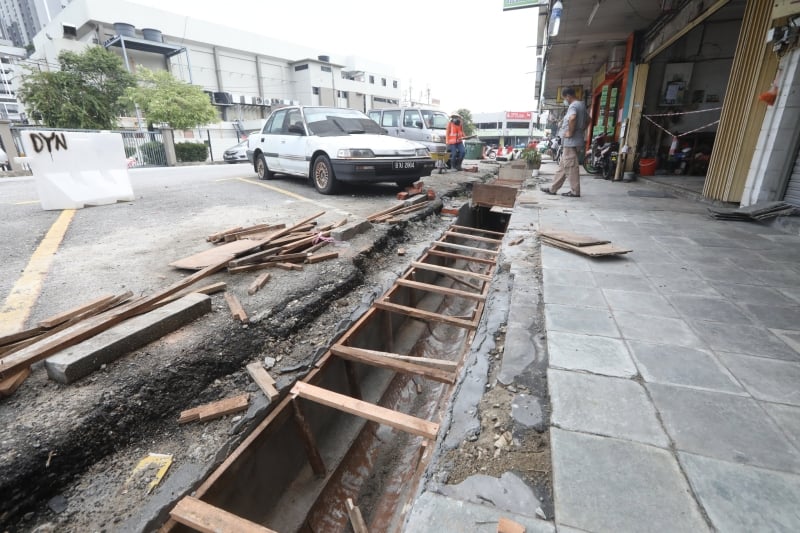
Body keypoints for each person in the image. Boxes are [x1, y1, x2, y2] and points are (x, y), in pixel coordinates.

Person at [541, 87, 589, 197]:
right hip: (573, 141)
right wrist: (580, 130)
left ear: (568, 96)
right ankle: (553, 189)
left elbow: (572, 118)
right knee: (563, 167)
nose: (565, 101)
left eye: (565, 98)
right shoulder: (581, 105)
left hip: (571, 142)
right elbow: (589, 120)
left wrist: (571, 132)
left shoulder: (574, 106)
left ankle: (575, 191)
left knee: (571, 166)